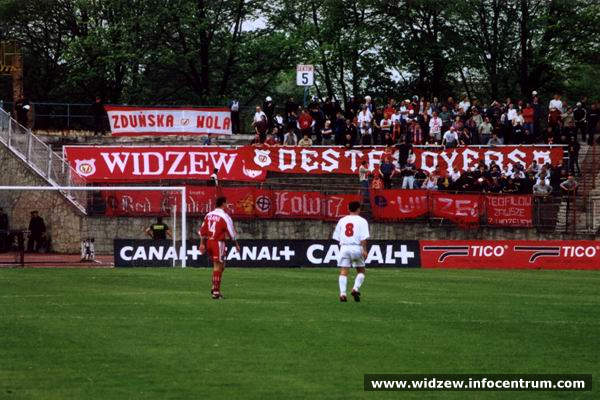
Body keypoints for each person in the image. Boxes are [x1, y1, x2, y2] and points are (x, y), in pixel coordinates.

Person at [199, 196, 240, 299]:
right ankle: (216, 292)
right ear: (223, 204)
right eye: (226, 203)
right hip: (218, 243)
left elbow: (202, 232)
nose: (227, 205)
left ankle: (214, 286)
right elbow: (231, 232)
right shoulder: (225, 216)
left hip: (209, 242)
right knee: (218, 266)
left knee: (221, 266)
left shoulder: (208, 215)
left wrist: (202, 244)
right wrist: (236, 244)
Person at [332, 201, 369, 302]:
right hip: (357, 247)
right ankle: (355, 288)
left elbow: (337, 237)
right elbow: (363, 239)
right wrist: (364, 250)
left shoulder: (342, 220)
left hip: (344, 247)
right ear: (358, 209)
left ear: (348, 209)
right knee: (361, 271)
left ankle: (342, 293)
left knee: (343, 272)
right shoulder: (362, 221)